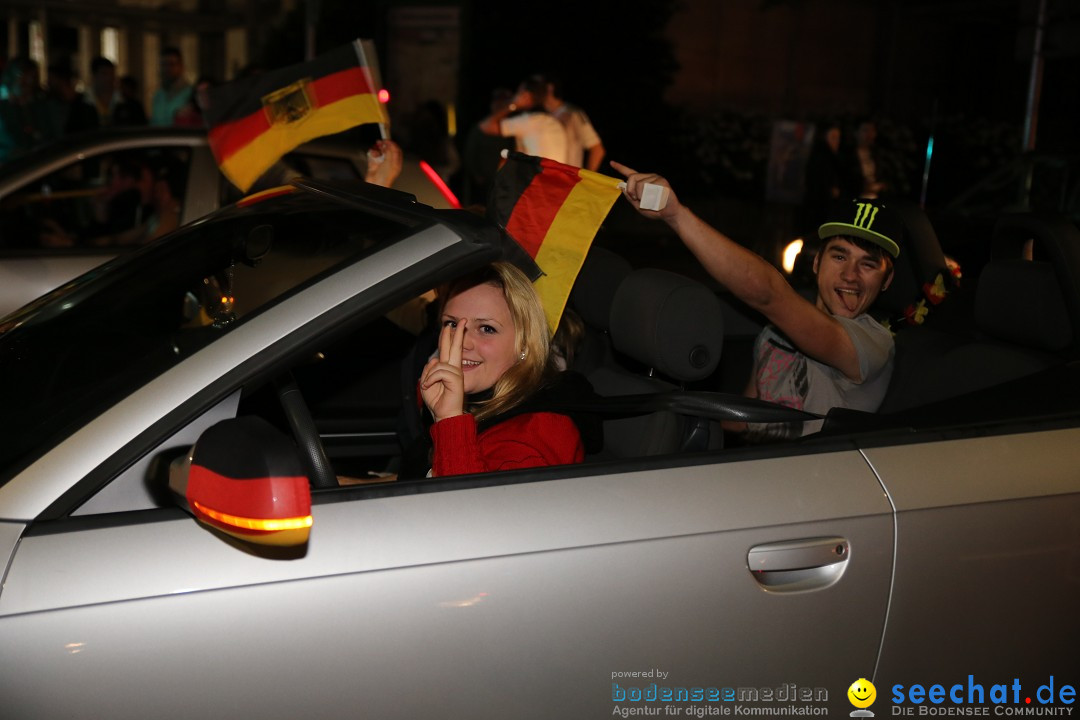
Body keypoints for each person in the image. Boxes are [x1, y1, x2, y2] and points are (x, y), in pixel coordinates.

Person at [613, 161, 900, 441]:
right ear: (816, 264)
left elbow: (769, 294)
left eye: (868, 265)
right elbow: (744, 421)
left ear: (886, 281)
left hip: (810, 480)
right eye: (839, 256)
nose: (850, 275)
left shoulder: (873, 343)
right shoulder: (775, 333)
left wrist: (675, 215)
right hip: (756, 468)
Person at [400, 262, 595, 478]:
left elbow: (467, 507)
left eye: (486, 328)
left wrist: (449, 420)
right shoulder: (480, 400)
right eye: (452, 324)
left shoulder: (539, 432)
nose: (462, 342)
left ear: (524, 345)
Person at [477, 75, 568, 164]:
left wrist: (513, 105)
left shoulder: (529, 121)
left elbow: (486, 126)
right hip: (553, 178)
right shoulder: (555, 122)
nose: (516, 96)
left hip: (535, 178)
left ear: (526, 96)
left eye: (519, 93)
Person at [536, 73, 605, 171]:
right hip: (547, 178)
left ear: (549, 88)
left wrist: (585, 180)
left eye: (536, 87)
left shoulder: (572, 114)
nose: (532, 91)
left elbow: (597, 149)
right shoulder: (540, 117)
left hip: (567, 180)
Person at [150, 46, 192, 126]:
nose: (167, 68)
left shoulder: (191, 94)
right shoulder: (158, 95)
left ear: (181, 67)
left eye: (171, 64)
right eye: (163, 64)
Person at [86, 56, 120, 125]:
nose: (109, 78)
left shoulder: (125, 103)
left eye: (112, 74)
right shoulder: (81, 105)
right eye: (104, 74)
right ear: (94, 76)